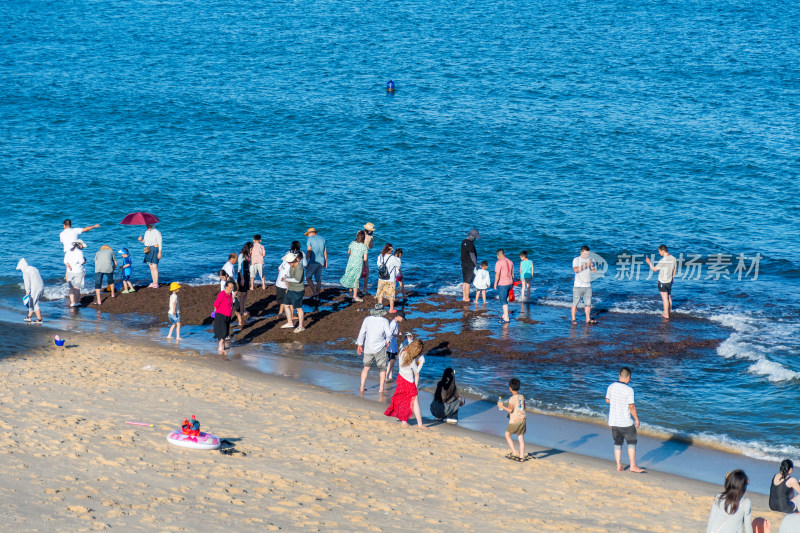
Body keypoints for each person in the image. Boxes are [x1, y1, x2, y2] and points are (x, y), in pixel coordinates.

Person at [606, 367, 644, 473]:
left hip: (614, 421)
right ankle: (632, 466)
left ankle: (618, 465)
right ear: (628, 377)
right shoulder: (629, 390)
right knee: (631, 442)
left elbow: (607, 400)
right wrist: (636, 419)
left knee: (617, 443)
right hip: (625, 422)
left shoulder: (611, 386)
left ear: (619, 376)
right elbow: (631, 406)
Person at [706, 470, 771, 533]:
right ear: (743, 487)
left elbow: (712, 520)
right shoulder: (746, 503)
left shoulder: (719, 497)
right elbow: (747, 526)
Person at [384, 339, 427, 429]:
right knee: (415, 403)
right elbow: (416, 373)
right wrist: (421, 363)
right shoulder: (411, 361)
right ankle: (420, 424)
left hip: (401, 378)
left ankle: (404, 421)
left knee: (404, 401)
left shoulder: (402, 352)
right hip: (409, 382)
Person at [357, 303, 392, 392]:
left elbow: (362, 333)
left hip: (368, 347)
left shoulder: (367, 319)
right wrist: (388, 341)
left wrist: (359, 345)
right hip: (380, 348)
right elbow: (389, 334)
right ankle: (381, 388)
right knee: (382, 369)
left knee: (366, 367)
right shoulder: (384, 321)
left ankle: (361, 387)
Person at [497, 378, 526, 461]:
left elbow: (510, 410)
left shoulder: (512, 399)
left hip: (515, 421)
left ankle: (514, 453)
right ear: (519, 387)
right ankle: (521, 457)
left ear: (510, 388)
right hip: (523, 419)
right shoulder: (522, 397)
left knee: (507, 435)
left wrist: (501, 406)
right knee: (520, 438)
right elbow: (523, 408)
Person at [645, 244, 677, 319]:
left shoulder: (662, 260)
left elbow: (655, 269)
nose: (659, 253)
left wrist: (649, 262)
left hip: (663, 282)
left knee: (665, 299)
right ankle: (669, 312)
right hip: (670, 281)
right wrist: (673, 278)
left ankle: (666, 314)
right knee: (669, 297)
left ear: (663, 251)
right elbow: (675, 269)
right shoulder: (673, 258)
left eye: (659, 251)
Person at [571, 245, 597, 325]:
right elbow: (575, 270)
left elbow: (595, 272)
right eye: (585, 254)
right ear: (581, 252)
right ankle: (573, 319)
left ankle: (588, 319)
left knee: (588, 303)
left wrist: (592, 266)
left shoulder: (591, 259)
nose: (587, 256)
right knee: (575, 302)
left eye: (588, 254)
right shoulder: (576, 260)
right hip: (578, 285)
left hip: (588, 286)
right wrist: (586, 265)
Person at [340, 230, 368, 301]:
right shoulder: (364, 246)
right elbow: (365, 259)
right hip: (358, 264)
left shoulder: (352, 243)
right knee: (356, 279)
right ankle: (355, 296)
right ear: (363, 238)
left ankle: (350, 294)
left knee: (350, 276)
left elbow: (349, 252)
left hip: (350, 262)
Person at [281, 252, 305, 333]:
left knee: (299, 308)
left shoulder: (299, 267)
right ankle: (290, 322)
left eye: (289, 262)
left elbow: (297, 280)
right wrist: (286, 277)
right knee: (286, 305)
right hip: (291, 288)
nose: (288, 263)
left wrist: (286, 279)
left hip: (298, 290)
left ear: (293, 261)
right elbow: (290, 276)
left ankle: (301, 326)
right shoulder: (292, 265)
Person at [376, 243, 401, 313]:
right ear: (390, 250)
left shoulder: (380, 256)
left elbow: (378, 264)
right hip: (390, 279)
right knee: (391, 295)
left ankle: (379, 308)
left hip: (381, 278)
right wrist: (397, 257)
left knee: (380, 294)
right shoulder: (392, 258)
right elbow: (398, 264)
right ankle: (391, 309)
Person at [16, 258, 43, 323]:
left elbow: (27, 282)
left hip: (35, 288)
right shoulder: (33, 268)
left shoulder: (25, 271)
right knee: (32, 302)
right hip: (41, 286)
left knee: (35, 303)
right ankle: (29, 317)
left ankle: (39, 320)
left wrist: (27, 291)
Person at [212, 280, 235, 354]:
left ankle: (223, 346)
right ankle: (220, 347)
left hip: (228, 316)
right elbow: (215, 304)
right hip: (221, 315)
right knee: (222, 332)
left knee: (226, 333)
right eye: (230, 288)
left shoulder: (230, 295)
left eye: (232, 288)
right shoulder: (222, 294)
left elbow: (231, 304)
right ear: (226, 287)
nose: (231, 290)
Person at [137, 223, 162, 288]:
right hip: (148, 249)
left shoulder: (156, 232)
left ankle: (156, 283)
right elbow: (145, 242)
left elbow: (160, 242)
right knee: (151, 267)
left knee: (155, 266)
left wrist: (159, 252)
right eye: (147, 225)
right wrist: (141, 240)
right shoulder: (146, 232)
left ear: (152, 225)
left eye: (149, 225)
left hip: (155, 249)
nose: (147, 226)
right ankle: (153, 282)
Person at [305, 227, 327, 299]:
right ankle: (317, 297)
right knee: (318, 280)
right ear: (315, 233)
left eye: (308, 234)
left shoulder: (310, 239)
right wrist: (326, 262)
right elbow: (325, 252)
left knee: (308, 277)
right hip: (321, 261)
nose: (307, 236)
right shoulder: (322, 238)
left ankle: (314, 292)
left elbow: (309, 252)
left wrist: (305, 261)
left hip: (313, 261)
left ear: (310, 233)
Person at [493, 249, 514, 323]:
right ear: (504, 254)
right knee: (505, 299)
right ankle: (504, 315)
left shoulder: (499, 262)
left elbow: (497, 274)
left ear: (498, 255)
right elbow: (512, 274)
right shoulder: (510, 262)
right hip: (510, 283)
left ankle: (506, 318)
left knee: (503, 300)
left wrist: (495, 283)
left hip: (503, 283)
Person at [64, 240, 86, 308]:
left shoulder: (68, 251)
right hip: (78, 271)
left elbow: (65, 261)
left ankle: (72, 302)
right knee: (77, 287)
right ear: (80, 245)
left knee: (71, 287)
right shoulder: (79, 252)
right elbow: (81, 261)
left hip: (70, 271)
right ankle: (75, 302)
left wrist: (69, 266)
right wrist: (85, 261)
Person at [385, 311, 406, 381]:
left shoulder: (395, 323)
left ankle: (390, 376)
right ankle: (386, 375)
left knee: (393, 360)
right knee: (392, 360)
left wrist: (399, 334)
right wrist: (399, 335)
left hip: (393, 345)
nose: (402, 319)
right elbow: (390, 334)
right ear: (399, 316)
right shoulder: (393, 324)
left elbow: (393, 333)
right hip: (390, 345)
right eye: (402, 318)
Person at [460, 229, 479, 302]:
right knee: (468, 282)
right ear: (472, 236)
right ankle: (467, 298)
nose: (475, 239)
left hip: (464, 263)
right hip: (470, 264)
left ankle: (464, 297)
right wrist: (476, 264)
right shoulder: (470, 244)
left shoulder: (463, 242)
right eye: (475, 237)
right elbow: (472, 255)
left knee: (465, 281)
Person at [237, 242, 253, 317]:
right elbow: (240, 269)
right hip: (242, 276)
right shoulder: (241, 255)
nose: (252, 250)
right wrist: (242, 279)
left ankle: (244, 308)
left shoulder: (247, 255)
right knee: (242, 293)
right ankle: (241, 310)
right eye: (251, 248)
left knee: (245, 293)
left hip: (247, 275)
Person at [275, 253, 291, 317]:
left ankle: (280, 313)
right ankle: (289, 315)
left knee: (282, 300)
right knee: (287, 302)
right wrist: (288, 288)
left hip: (278, 283)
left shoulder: (284, 263)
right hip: (284, 285)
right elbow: (287, 278)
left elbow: (279, 269)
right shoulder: (289, 266)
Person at [361, 223, 375, 294]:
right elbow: (370, 247)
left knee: (358, 271)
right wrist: (371, 239)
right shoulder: (369, 237)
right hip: (364, 255)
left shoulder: (359, 232)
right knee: (366, 272)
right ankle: (365, 289)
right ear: (370, 231)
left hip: (357, 253)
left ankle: (356, 288)